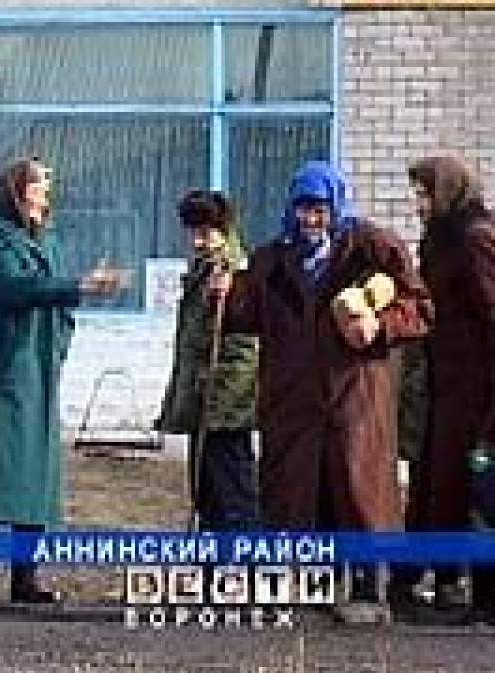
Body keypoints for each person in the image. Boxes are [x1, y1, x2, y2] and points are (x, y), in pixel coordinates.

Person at [211, 160, 433, 624]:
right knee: (302, 495)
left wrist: (380, 324)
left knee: (357, 493)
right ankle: (315, 588)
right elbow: (244, 317)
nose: (312, 221)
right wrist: (224, 295)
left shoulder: (373, 248)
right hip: (293, 400)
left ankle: (370, 593)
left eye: (320, 210)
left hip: (356, 396)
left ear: (337, 206)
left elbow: (420, 308)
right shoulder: (274, 258)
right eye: (303, 210)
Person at [0, 156, 123, 610]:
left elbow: (51, 291)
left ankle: (25, 576)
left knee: (34, 480)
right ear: (16, 190)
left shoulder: (44, 237)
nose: (45, 194)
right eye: (38, 185)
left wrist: (67, 321)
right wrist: (79, 286)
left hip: (38, 367)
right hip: (0, 369)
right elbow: (15, 286)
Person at [389, 156, 495, 624]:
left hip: (476, 393)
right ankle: (442, 585)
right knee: (438, 489)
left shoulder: (475, 240)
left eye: (425, 194)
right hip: (443, 387)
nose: (419, 204)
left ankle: (485, 600)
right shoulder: (441, 238)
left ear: (449, 192)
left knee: (475, 491)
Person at [155, 190, 260, 532]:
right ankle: (211, 560)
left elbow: (245, 343)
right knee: (206, 488)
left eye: (205, 233)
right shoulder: (204, 267)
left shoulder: (234, 270)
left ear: (224, 228)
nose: (198, 241)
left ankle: (244, 562)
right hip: (203, 395)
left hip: (225, 401)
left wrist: (227, 299)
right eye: (193, 232)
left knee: (232, 488)